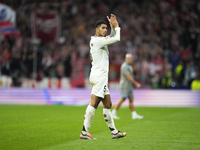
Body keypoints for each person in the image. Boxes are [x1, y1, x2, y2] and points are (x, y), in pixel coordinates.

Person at [80, 14, 126, 140]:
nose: (105, 30)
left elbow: (110, 37)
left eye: (106, 28)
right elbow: (116, 39)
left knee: (108, 103)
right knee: (93, 103)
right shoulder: (97, 40)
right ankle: (84, 132)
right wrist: (117, 27)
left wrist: (112, 26)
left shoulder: (97, 40)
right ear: (96, 29)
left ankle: (114, 132)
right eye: (103, 28)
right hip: (99, 76)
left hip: (99, 76)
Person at [111, 53, 143, 119]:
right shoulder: (124, 66)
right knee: (123, 98)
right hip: (125, 85)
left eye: (131, 58)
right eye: (129, 58)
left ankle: (134, 114)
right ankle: (113, 112)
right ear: (126, 59)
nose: (130, 60)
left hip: (129, 85)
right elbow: (128, 76)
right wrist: (136, 83)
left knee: (131, 99)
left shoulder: (129, 66)